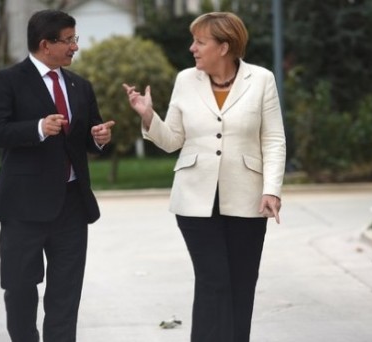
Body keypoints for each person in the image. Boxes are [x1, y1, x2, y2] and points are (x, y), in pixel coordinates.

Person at [123, 11, 286, 342]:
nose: (192, 48)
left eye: (200, 42)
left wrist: (272, 190)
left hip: (247, 199)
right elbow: (172, 140)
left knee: (241, 282)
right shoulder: (186, 80)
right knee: (214, 279)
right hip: (194, 199)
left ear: (224, 47)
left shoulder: (262, 79)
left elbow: (273, 140)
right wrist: (148, 115)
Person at [0, 9, 114, 342]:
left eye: (74, 39)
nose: (75, 47)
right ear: (45, 44)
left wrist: (98, 139)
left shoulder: (79, 86)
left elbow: (87, 137)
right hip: (22, 206)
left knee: (66, 295)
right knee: (21, 289)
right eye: (68, 40)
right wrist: (38, 128)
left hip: (71, 204)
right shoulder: (7, 80)